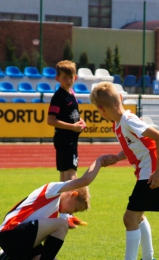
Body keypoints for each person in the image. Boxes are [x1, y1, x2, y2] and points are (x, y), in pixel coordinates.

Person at [89, 82, 159, 260]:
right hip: (146, 172)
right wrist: (117, 157)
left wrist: (157, 172)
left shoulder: (128, 120)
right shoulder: (118, 124)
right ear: (120, 98)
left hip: (151, 173)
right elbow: (135, 147)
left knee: (129, 218)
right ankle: (149, 258)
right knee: (138, 217)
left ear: (100, 109)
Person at [0, 157, 105, 260]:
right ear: (73, 194)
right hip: (10, 233)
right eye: (75, 208)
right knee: (62, 224)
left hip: (21, 240)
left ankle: (5, 256)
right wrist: (99, 161)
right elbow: (85, 180)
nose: (72, 213)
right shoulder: (52, 190)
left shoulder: (53, 212)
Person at [47, 60, 86, 228]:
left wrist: (80, 122)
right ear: (57, 78)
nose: (68, 80)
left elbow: (74, 115)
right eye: (64, 77)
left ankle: (63, 214)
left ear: (75, 77)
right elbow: (51, 120)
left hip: (70, 139)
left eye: (70, 77)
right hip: (65, 140)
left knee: (65, 176)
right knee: (70, 175)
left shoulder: (71, 93)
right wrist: (72, 127)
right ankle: (67, 215)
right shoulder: (58, 97)